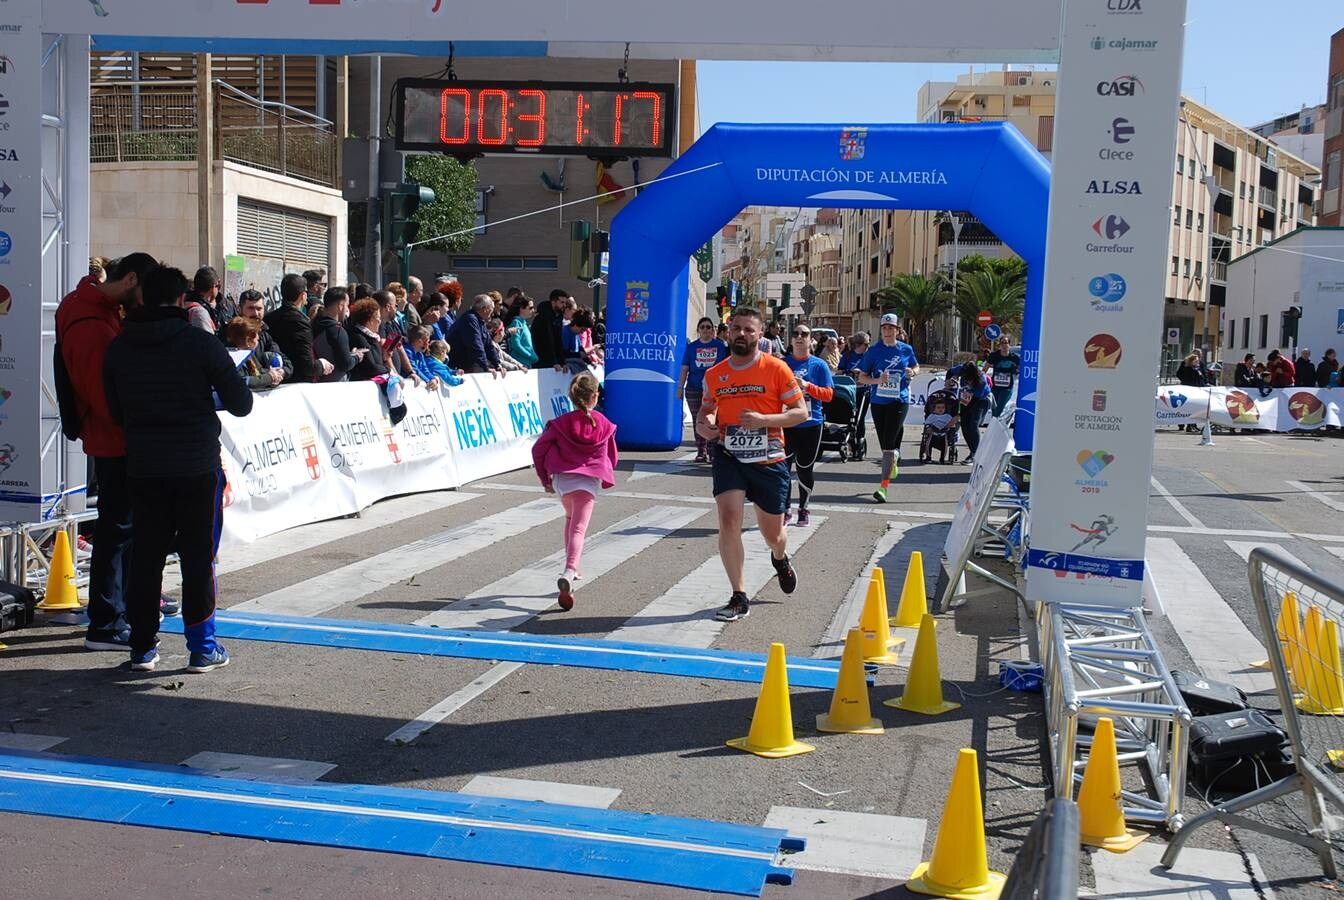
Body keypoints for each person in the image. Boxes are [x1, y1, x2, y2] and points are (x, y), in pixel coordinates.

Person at [103, 265, 253, 673]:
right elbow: (241, 403)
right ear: (183, 302)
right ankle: (202, 648)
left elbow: (116, 412)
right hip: (195, 464)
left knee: (146, 555)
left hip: (145, 465)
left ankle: (142, 647)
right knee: (198, 556)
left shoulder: (119, 348)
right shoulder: (199, 344)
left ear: (142, 298)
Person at [57, 251, 173, 650]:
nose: (141, 304)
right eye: (141, 294)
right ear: (130, 281)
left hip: (117, 435)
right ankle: (106, 621)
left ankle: (121, 606)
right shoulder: (90, 323)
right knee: (117, 529)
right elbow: (101, 394)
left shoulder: (92, 305)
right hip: (114, 438)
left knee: (122, 527)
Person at [695, 307, 807, 622]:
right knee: (729, 521)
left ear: (760, 335)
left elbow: (800, 413)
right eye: (736, 328)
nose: (742, 334)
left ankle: (780, 557)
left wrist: (764, 419)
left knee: (772, 533)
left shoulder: (776, 369)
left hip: (769, 460)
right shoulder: (714, 374)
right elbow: (706, 413)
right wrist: (707, 425)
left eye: (749, 329)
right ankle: (738, 595)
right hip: (729, 456)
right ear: (728, 332)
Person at [531, 372, 618, 611]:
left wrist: (544, 478)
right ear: (594, 397)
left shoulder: (561, 423)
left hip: (562, 481)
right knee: (579, 528)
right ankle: (569, 571)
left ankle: (574, 566)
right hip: (588, 482)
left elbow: (538, 449)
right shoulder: (604, 423)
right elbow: (612, 456)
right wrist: (606, 470)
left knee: (570, 520)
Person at [857, 313, 919, 502]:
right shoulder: (873, 352)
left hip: (899, 400)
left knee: (888, 445)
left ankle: (883, 487)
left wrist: (912, 372)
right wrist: (877, 380)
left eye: (891, 328)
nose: (887, 331)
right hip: (878, 402)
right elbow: (862, 377)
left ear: (897, 330)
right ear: (881, 330)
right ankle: (895, 456)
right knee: (885, 442)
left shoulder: (906, 349)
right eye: (884, 328)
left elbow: (916, 367)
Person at [783, 324, 834, 526]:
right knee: (783, 469)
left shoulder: (819, 365)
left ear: (810, 339)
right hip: (787, 423)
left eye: (804, 334)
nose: (799, 337)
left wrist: (807, 387)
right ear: (790, 339)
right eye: (795, 333)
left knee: (804, 468)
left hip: (811, 423)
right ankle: (785, 510)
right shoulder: (782, 364)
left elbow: (829, 395)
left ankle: (803, 508)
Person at [676, 317, 729, 462]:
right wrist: (680, 388)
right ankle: (701, 451)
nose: (706, 330)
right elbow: (685, 369)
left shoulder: (720, 346)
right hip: (693, 388)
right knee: (697, 420)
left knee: (712, 420)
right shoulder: (691, 347)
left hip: (714, 390)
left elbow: (722, 368)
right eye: (703, 327)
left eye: (708, 327)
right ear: (698, 330)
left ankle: (713, 452)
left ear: (713, 330)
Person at [265, 273, 330, 383]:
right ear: (302, 295)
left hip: (274, 379)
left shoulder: (269, 318)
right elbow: (307, 366)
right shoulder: (301, 322)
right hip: (295, 384)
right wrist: (322, 365)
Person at [236, 289, 291, 387]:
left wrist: (280, 372)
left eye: (259, 308)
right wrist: (268, 376)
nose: (256, 313)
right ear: (239, 309)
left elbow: (286, 363)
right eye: (251, 308)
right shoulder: (232, 334)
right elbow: (242, 377)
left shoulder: (264, 334)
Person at [447, 294, 505, 376]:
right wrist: (486, 366)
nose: (492, 313)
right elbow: (476, 345)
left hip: (467, 365)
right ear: (484, 309)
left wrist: (497, 364)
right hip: (459, 366)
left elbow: (489, 345)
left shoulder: (480, 321)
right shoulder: (470, 320)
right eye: (491, 309)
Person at [223, 317, 285, 392]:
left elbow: (259, 372)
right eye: (256, 339)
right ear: (248, 341)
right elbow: (243, 381)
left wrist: (275, 375)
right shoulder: (231, 357)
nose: (257, 342)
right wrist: (269, 378)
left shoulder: (249, 354)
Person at [312, 287, 360, 382]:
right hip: (336, 385)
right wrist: (356, 357)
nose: (347, 309)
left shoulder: (313, 324)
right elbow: (345, 364)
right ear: (341, 306)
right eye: (347, 305)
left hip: (316, 383)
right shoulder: (337, 330)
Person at [346, 298, 391, 382]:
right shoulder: (359, 338)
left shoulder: (371, 337)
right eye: (378, 317)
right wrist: (389, 370)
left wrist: (384, 358)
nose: (380, 321)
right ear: (370, 320)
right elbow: (372, 368)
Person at [954, 361, 992, 460]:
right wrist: (953, 377)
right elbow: (950, 371)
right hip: (967, 398)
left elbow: (976, 398)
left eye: (968, 376)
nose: (965, 378)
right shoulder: (962, 370)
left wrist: (966, 410)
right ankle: (972, 450)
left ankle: (976, 452)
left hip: (981, 400)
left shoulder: (981, 379)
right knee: (964, 424)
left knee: (972, 424)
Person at [531, 289, 571, 369]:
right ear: (553, 302)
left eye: (565, 303)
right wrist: (553, 362)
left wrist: (562, 362)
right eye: (562, 302)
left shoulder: (558, 316)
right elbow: (546, 340)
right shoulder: (543, 317)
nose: (564, 305)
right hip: (541, 358)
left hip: (550, 358)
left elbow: (558, 340)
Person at [983, 335, 1021, 418]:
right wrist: (981, 379)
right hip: (995, 386)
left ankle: (994, 425)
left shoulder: (1014, 357)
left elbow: (1021, 370)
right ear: (1000, 345)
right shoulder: (994, 355)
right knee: (994, 408)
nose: (1004, 345)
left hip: (1007, 387)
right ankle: (995, 427)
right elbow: (985, 369)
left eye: (1006, 343)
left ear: (1009, 345)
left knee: (999, 408)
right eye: (1002, 343)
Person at [185, 266, 224, 333]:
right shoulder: (198, 312)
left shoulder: (185, 303)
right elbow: (209, 340)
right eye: (218, 286)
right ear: (213, 287)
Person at [504, 295, 539, 367]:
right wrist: (530, 356)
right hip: (520, 364)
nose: (533, 310)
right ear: (521, 309)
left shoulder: (524, 323)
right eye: (530, 308)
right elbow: (516, 345)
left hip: (526, 364)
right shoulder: (516, 322)